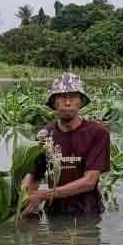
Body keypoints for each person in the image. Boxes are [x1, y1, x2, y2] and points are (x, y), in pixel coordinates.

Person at [22, 72, 111, 217]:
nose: (67, 102)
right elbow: (34, 176)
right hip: (54, 213)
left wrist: (44, 195)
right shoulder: (44, 135)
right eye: (62, 97)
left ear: (81, 102)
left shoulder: (97, 133)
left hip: (87, 214)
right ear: (54, 102)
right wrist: (23, 199)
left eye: (73, 97)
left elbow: (89, 181)